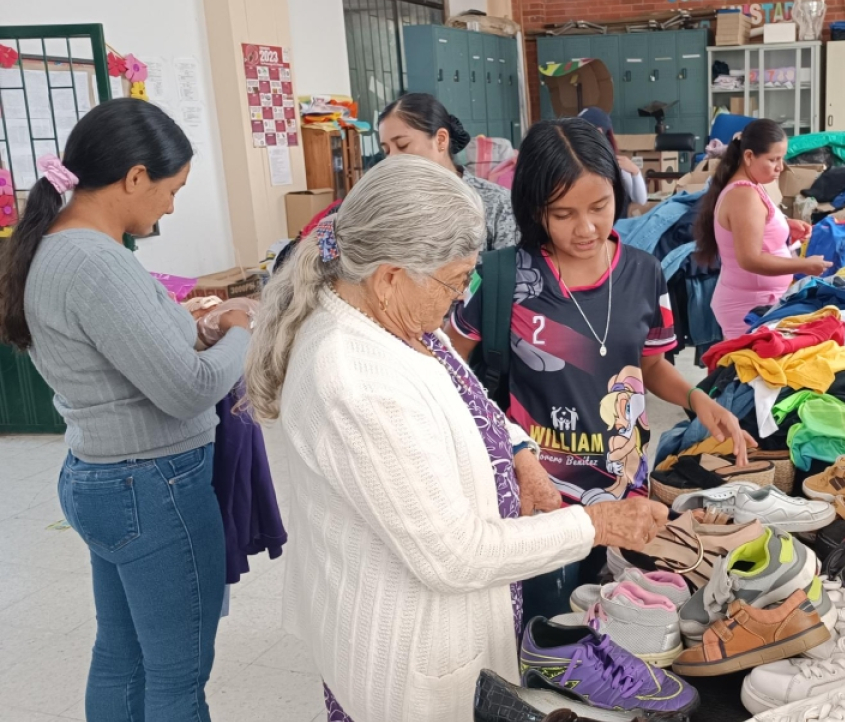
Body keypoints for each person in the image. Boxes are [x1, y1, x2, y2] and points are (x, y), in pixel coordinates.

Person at [243, 155, 668, 722]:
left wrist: (521, 455)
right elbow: (452, 556)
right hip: (408, 656)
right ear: (392, 276)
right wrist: (595, 524)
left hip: (451, 624)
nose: (462, 292)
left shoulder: (396, 320)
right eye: (453, 280)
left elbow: (465, 396)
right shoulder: (353, 377)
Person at [0, 99, 252, 721]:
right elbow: (190, 389)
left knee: (122, 655)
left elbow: (131, 353)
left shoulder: (59, 248)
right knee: (177, 680)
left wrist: (195, 328)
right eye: (172, 189)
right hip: (154, 485)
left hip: (103, 475)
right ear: (136, 177)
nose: (171, 205)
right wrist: (242, 329)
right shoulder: (95, 261)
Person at [446, 118, 752, 618]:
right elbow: (450, 372)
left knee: (621, 618)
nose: (585, 228)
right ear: (535, 209)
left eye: (599, 207)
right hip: (541, 497)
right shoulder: (503, 278)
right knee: (548, 624)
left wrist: (698, 399)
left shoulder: (643, 272)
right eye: (563, 214)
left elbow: (649, 366)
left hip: (625, 487)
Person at [694, 118, 829, 339]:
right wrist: (804, 265)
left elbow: (754, 223)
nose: (780, 166)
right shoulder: (743, 194)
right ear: (748, 156)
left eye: (782, 158)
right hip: (748, 308)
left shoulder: (750, 187)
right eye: (773, 159)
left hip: (757, 302)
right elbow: (749, 259)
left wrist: (783, 225)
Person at [379, 92, 519, 251]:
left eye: (403, 145)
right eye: (386, 150)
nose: (393, 158)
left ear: (440, 140)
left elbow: (510, 273)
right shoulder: (389, 211)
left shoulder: (497, 204)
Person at [578, 106, 648, 209]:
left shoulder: (618, 164)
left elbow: (640, 200)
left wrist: (635, 172)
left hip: (618, 223)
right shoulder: (574, 163)